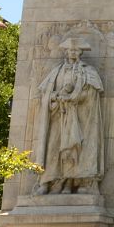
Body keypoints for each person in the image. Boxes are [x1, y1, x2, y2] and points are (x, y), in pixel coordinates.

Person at [34, 38, 104, 195]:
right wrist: (56, 97)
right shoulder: (56, 71)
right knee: (52, 147)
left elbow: (91, 93)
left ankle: (72, 183)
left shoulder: (88, 71)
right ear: (66, 52)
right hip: (57, 116)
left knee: (74, 151)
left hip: (79, 118)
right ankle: (48, 182)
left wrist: (73, 98)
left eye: (75, 50)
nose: (72, 52)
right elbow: (45, 93)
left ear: (80, 52)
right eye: (70, 50)